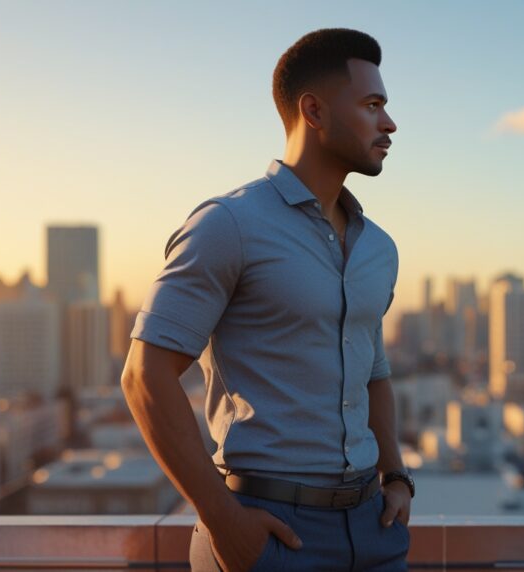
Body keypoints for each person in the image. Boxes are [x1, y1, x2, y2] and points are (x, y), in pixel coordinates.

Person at [121, 28, 413, 571]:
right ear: (315, 111)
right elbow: (145, 376)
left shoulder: (378, 249)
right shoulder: (228, 225)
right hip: (268, 529)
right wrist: (221, 519)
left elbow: (373, 373)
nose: (389, 123)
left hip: (374, 530)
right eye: (373, 105)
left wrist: (395, 476)